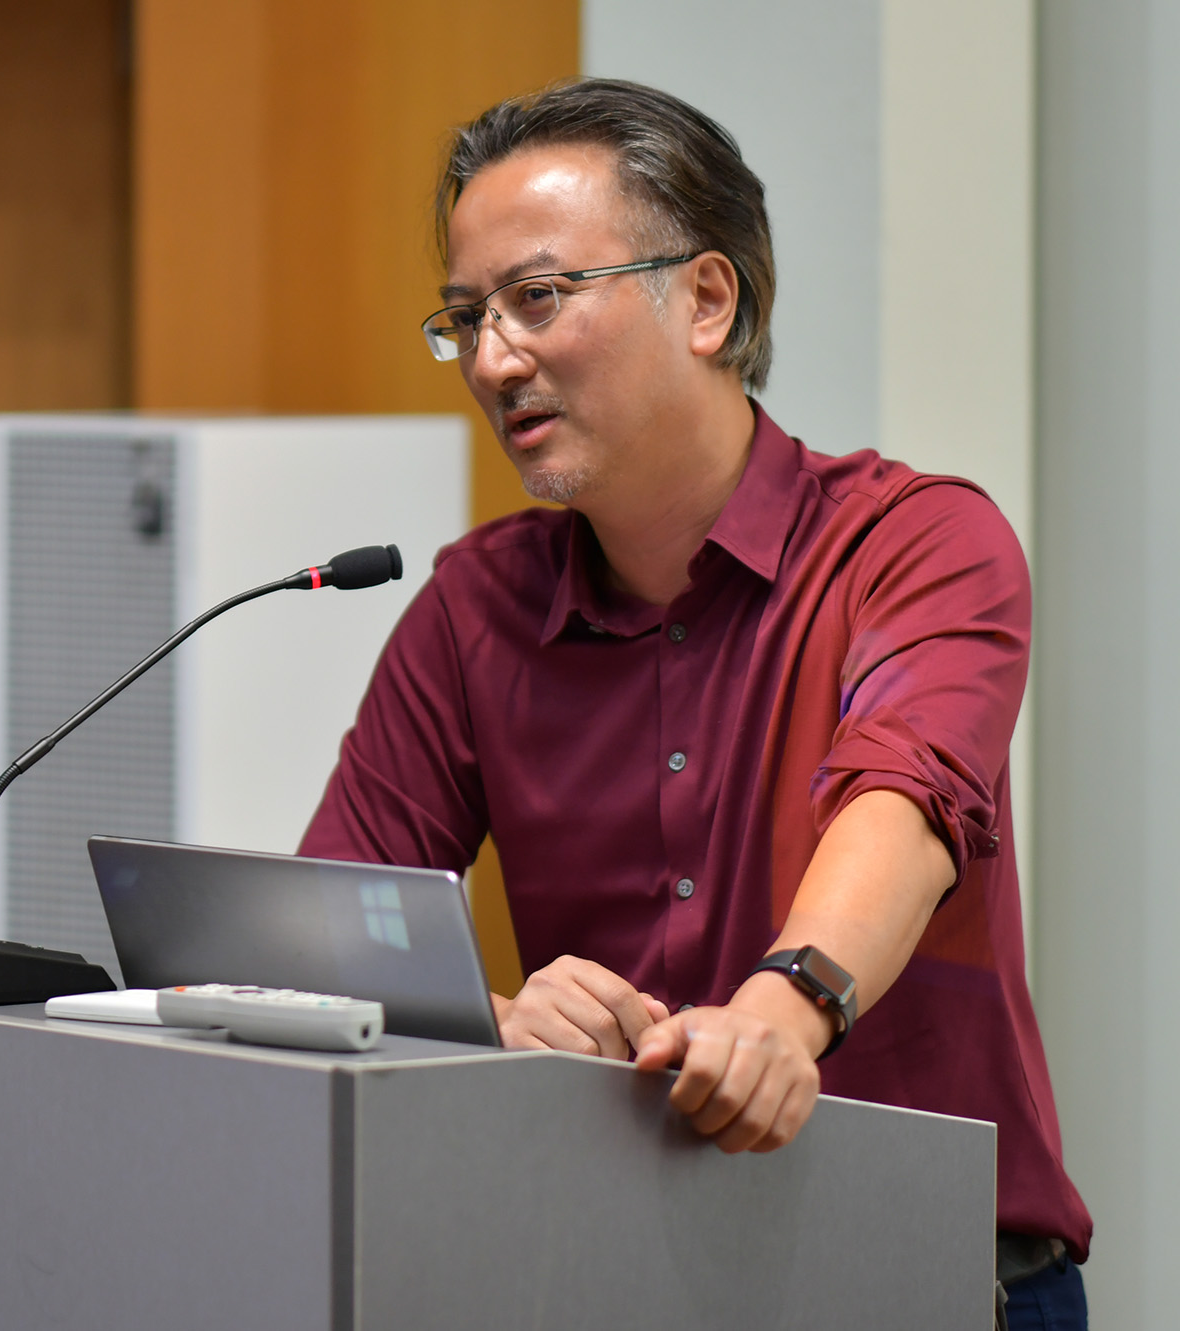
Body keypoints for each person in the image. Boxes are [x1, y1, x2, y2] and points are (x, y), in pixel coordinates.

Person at [298, 78, 1090, 1327]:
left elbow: (900, 804)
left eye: (537, 297)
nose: (494, 359)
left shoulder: (916, 543)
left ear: (706, 300)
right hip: (613, 1275)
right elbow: (329, 926)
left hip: (926, 1275)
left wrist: (784, 1008)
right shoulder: (471, 609)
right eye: (465, 317)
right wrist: (488, 1022)